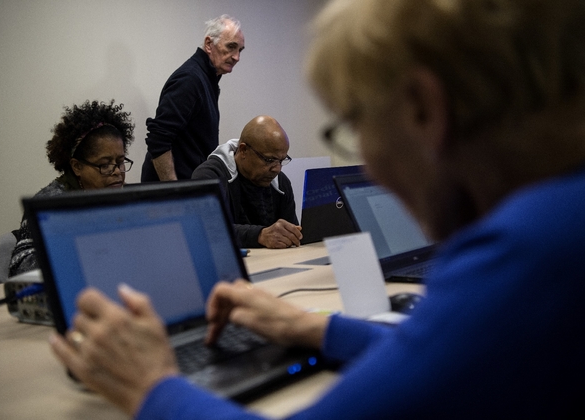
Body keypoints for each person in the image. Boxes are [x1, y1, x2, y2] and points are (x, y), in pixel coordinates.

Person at [50, 0, 585, 418]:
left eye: (355, 123)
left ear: (423, 110)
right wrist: (313, 330)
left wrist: (152, 386)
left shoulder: (529, 258)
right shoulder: (559, 224)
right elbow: (447, 352)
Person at [9, 100, 134, 276]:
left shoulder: (127, 196)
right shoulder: (50, 203)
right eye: (105, 165)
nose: (117, 173)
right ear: (77, 167)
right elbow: (20, 267)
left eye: (120, 162)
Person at [141, 15, 245, 182]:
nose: (236, 57)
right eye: (231, 47)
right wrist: (174, 190)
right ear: (209, 44)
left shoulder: (206, 78)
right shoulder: (191, 79)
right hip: (172, 194)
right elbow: (159, 138)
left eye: (240, 50)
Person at [192, 115, 301, 249]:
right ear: (243, 150)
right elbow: (206, 229)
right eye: (269, 160)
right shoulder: (210, 176)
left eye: (281, 160)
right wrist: (260, 235)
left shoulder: (281, 182)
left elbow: (290, 235)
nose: (277, 169)